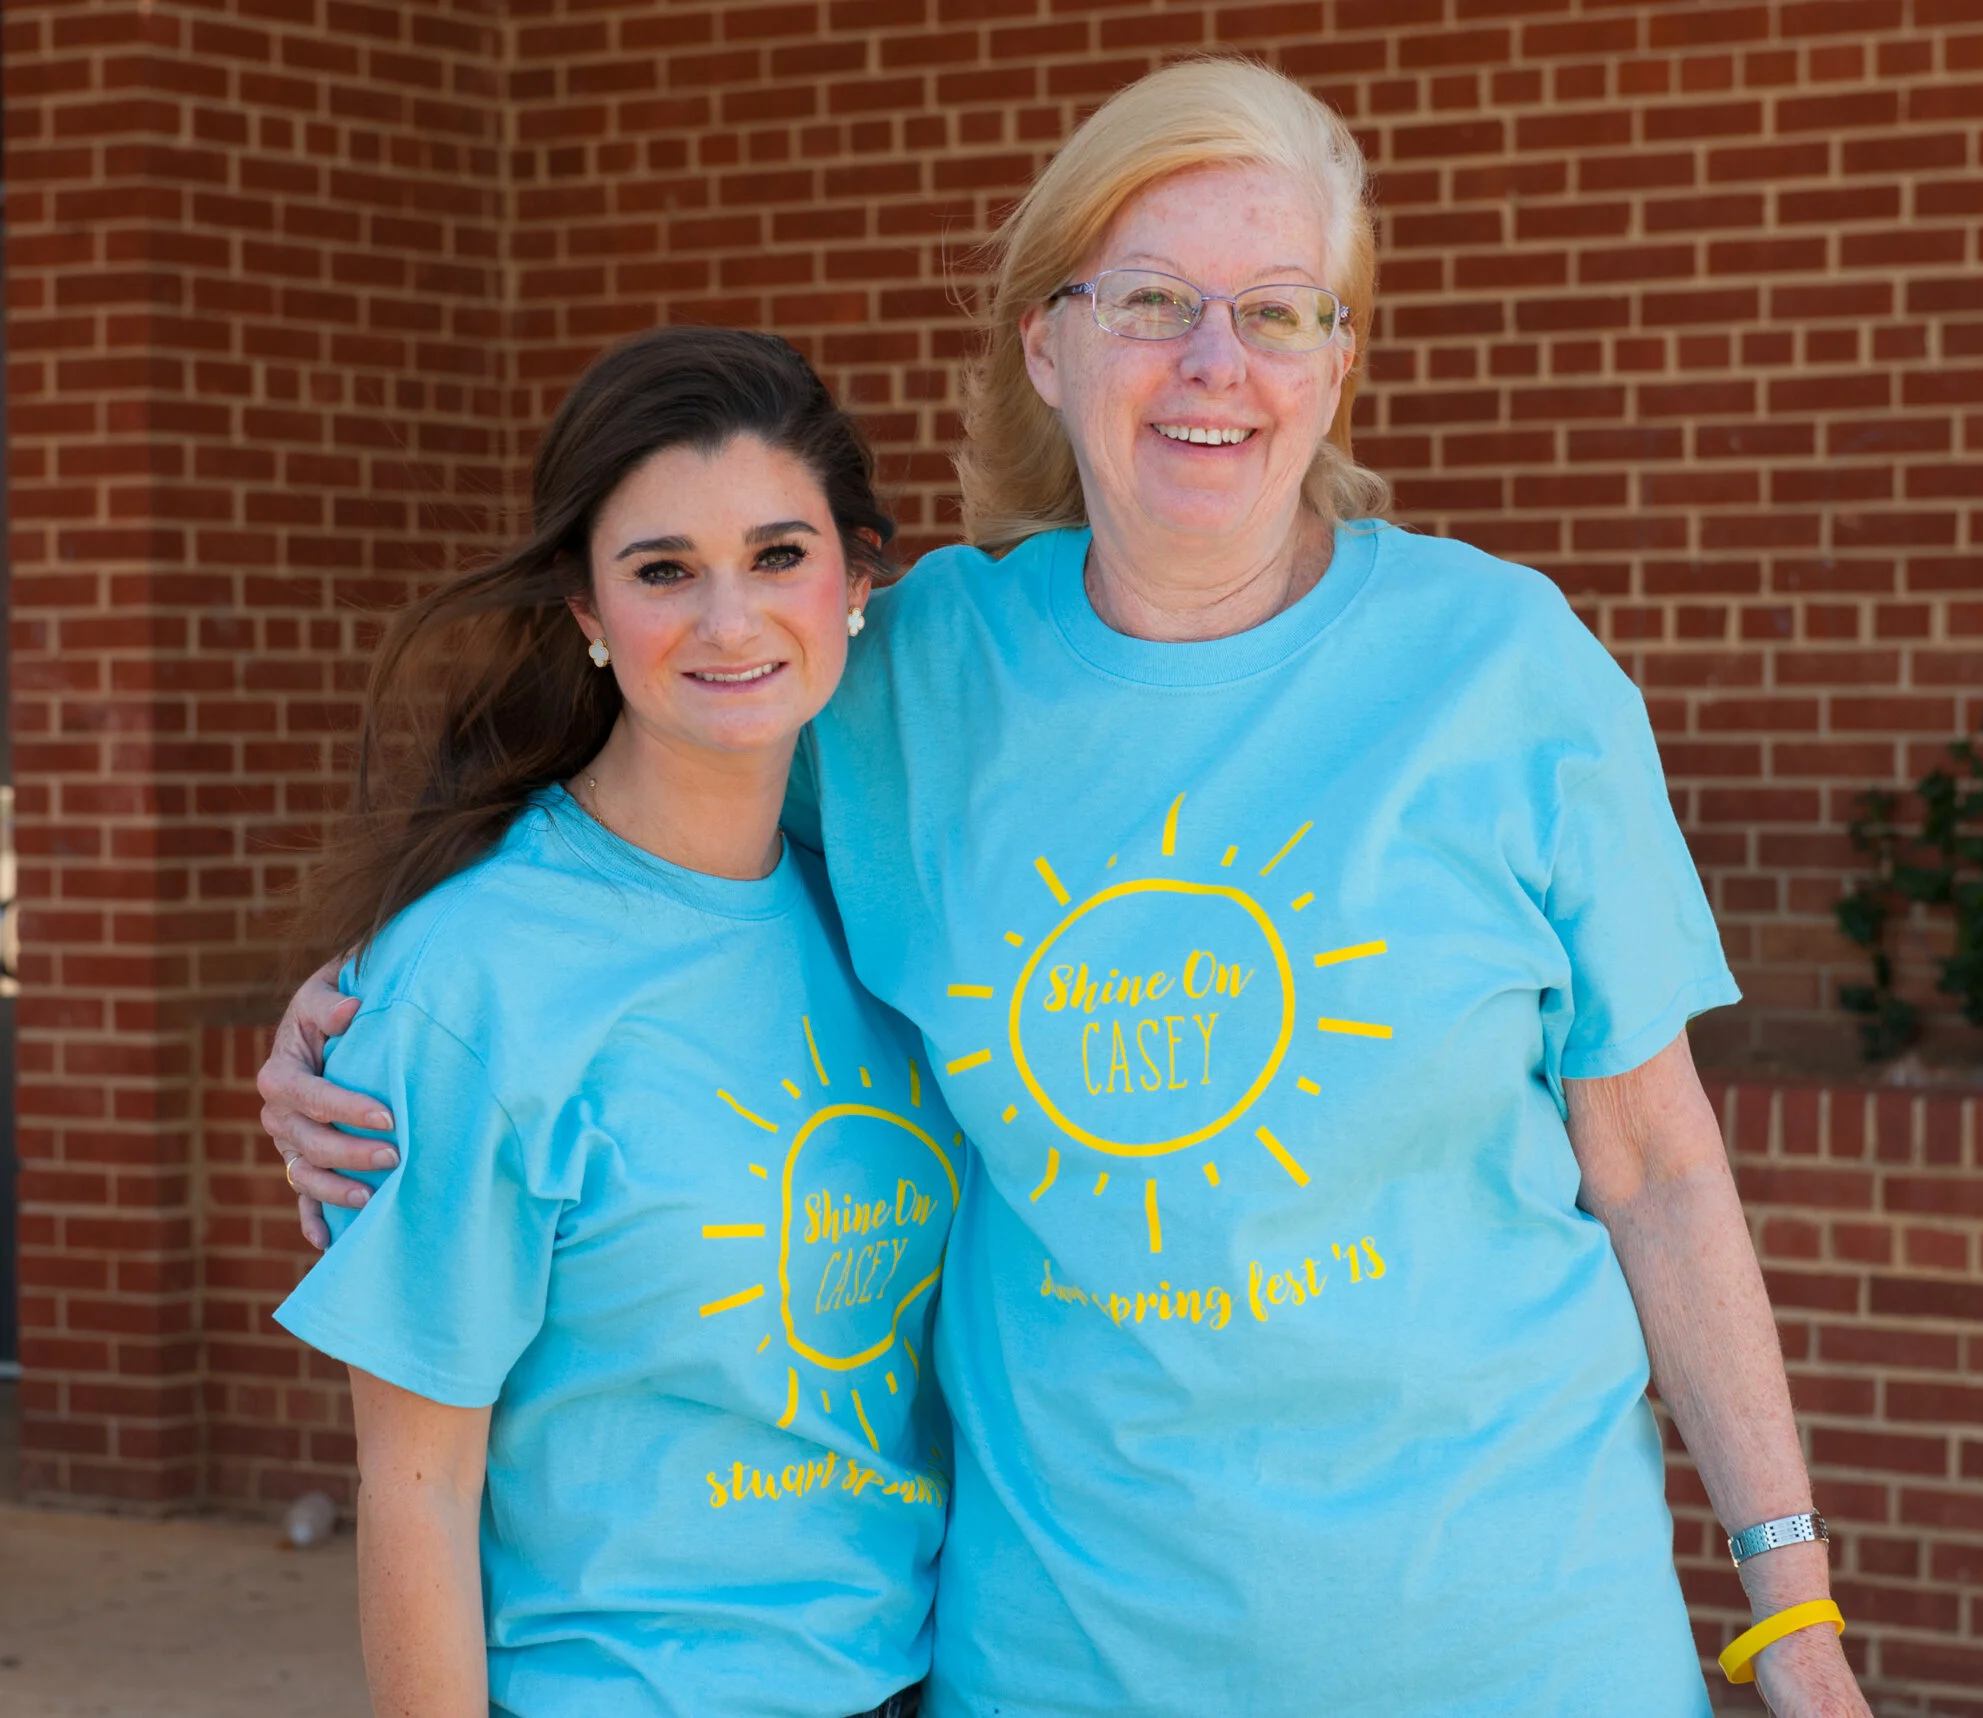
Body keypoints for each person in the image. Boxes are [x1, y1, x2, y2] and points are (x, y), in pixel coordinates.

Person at [264, 59, 1873, 1718]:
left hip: (1521, 1653)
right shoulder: (909, 685)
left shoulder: (1507, 669)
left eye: (1278, 310)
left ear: (1340, 362)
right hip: (1068, 1667)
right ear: (1047, 343)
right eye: (1152, 299)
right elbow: (650, 840)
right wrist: (364, 1019)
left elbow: (1661, 1169)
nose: (1213, 362)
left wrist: (1789, 1608)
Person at [271, 326, 953, 1718]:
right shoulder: (469, 981)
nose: (730, 620)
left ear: (857, 577)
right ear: (586, 609)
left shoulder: (885, 914)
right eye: (661, 571)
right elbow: (415, 1483)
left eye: (777, 555)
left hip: (910, 1680)